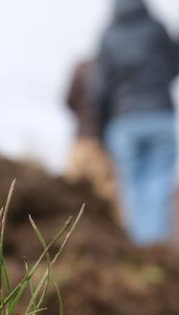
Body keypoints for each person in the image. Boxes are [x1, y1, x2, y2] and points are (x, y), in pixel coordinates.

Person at [93, 0, 179, 245]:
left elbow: (99, 89)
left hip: (123, 121)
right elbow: (174, 68)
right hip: (160, 116)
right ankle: (154, 249)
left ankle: (139, 249)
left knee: (130, 188)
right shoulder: (156, 28)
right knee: (158, 186)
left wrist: (99, 131)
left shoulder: (108, 36)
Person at [65, 59, 119, 216]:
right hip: (102, 142)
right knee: (106, 193)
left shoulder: (81, 67)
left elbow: (69, 100)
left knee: (72, 190)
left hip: (81, 139)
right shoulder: (112, 69)